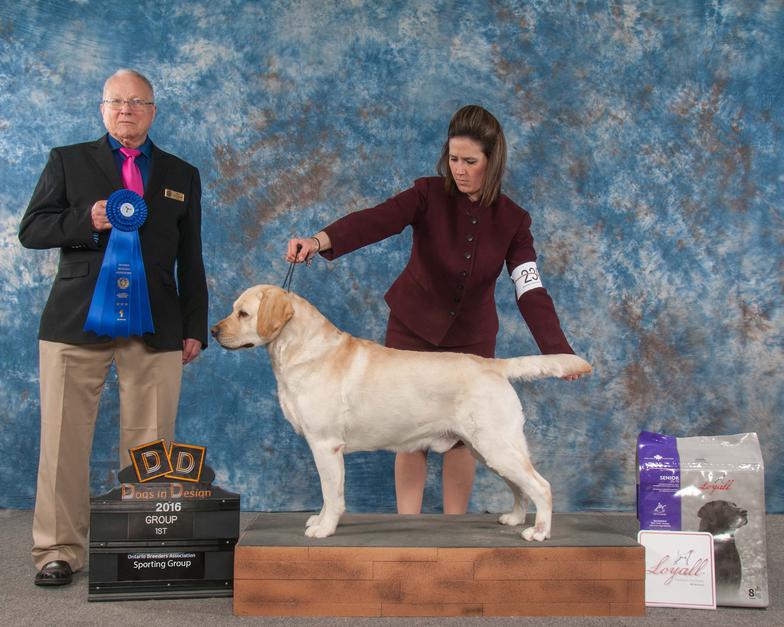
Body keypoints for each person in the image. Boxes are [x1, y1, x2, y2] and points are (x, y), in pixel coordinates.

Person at [286, 105, 582, 517]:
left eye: (470, 162)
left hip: (471, 339)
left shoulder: (514, 221)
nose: (459, 170)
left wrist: (558, 352)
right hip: (412, 330)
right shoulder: (426, 194)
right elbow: (375, 221)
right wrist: (319, 241)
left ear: (492, 162)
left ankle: (452, 529)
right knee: (409, 435)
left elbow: (530, 288)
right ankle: (409, 529)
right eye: (453, 159)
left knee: (464, 438)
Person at [19, 69, 208, 586]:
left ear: (152, 110)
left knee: (152, 443)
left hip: (157, 325)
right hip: (74, 321)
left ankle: (144, 546)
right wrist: (91, 218)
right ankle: (57, 550)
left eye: (137, 102)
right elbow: (31, 230)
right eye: (116, 101)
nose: (126, 109)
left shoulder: (181, 173)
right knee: (62, 440)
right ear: (103, 110)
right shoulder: (67, 160)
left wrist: (194, 326)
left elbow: (191, 259)